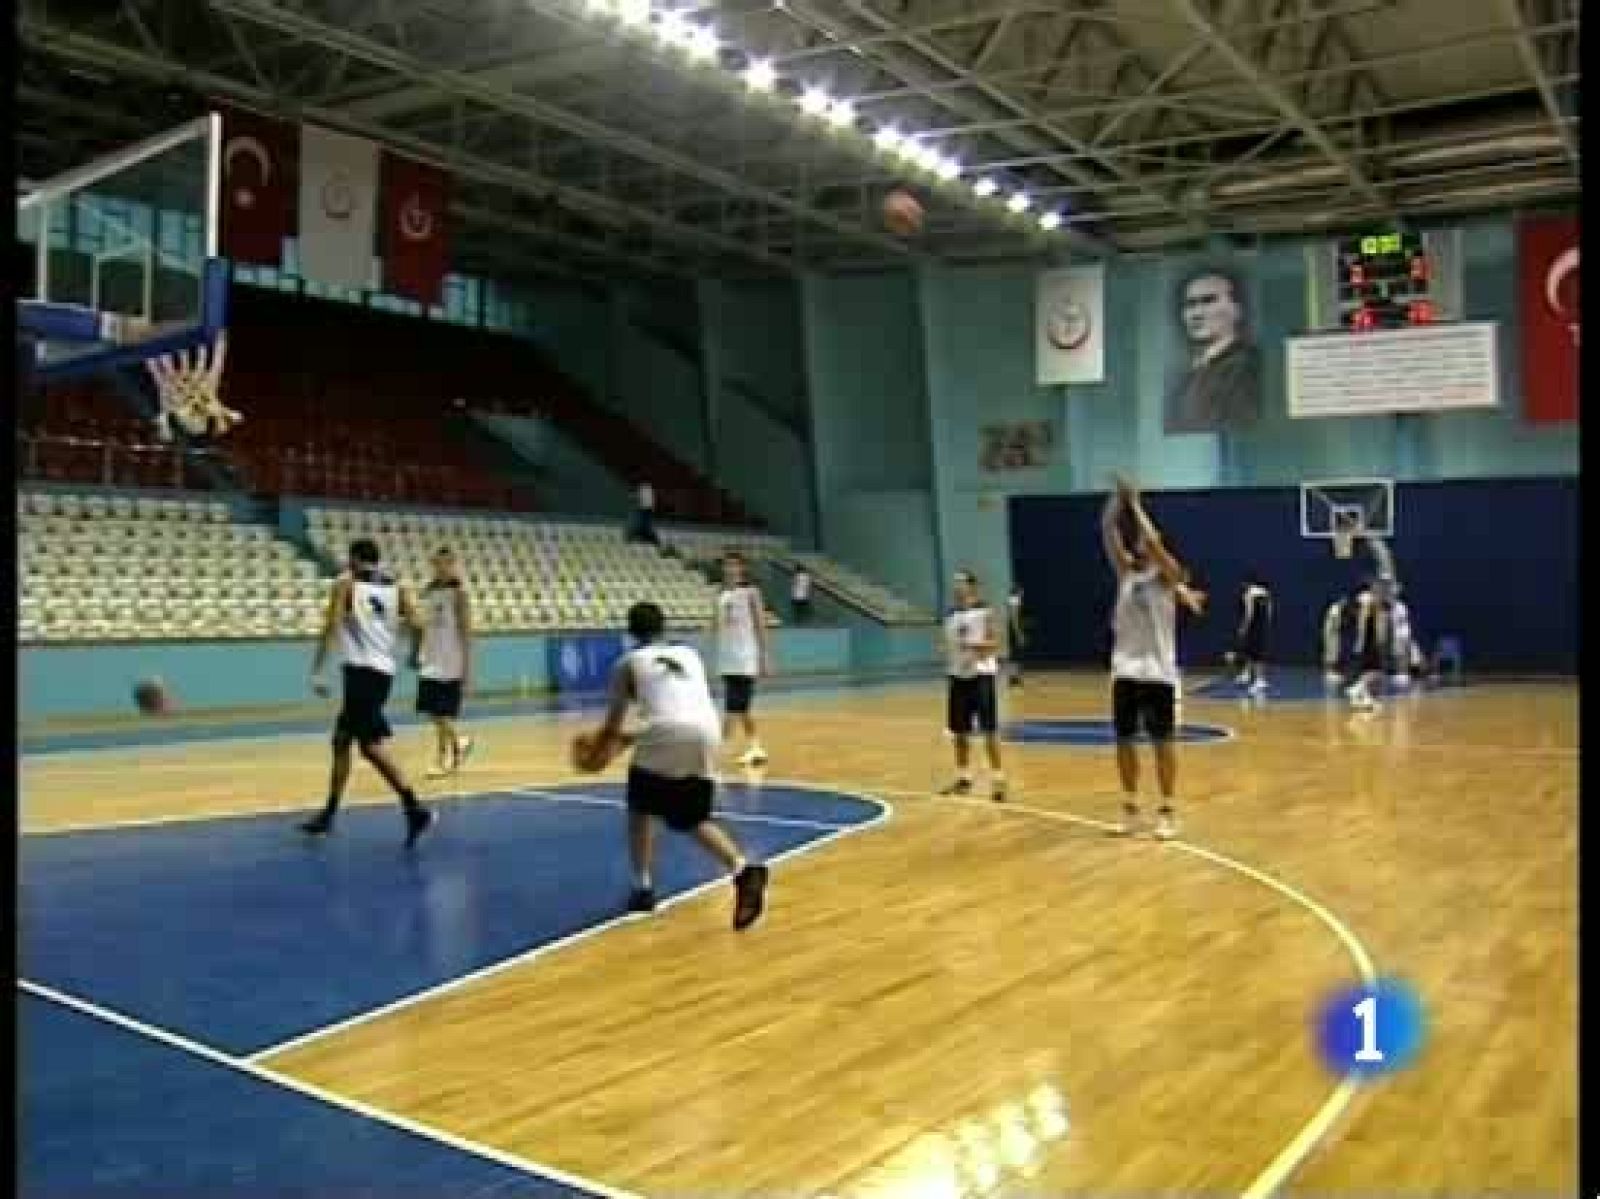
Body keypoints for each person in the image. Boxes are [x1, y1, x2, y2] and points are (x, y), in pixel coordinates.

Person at [573, 601, 769, 930]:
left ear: (631, 632)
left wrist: (601, 750)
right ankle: (742, 869)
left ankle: (643, 887)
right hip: (708, 732)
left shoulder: (628, 663)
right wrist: (632, 739)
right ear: (662, 627)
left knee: (640, 807)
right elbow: (678, 711)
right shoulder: (688, 654)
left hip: (665, 734)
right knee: (690, 817)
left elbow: (615, 724)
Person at [300, 538, 434, 846]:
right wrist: (415, 655)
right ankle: (328, 815)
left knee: (370, 747)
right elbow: (419, 625)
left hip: (361, 673)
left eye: (350, 559)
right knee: (341, 740)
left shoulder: (345, 584)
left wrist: (318, 669)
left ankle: (415, 808)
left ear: (355, 558)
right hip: (382, 673)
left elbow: (331, 625)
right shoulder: (397, 586)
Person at [1102, 478, 1205, 839]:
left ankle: (1168, 810)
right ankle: (1130, 808)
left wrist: (1136, 505)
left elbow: (1154, 543)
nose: (1141, 543)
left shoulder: (1169, 577)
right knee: (1124, 742)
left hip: (1159, 673)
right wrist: (1118, 501)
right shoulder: (1127, 575)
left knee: (1163, 744)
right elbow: (1108, 531)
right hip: (1125, 671)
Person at [1165, 268, 1262, 433]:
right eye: (1190, 304)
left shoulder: (1249, 367)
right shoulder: (1186, 376)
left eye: (1208, 301)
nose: (1196, 314)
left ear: (1236, 309)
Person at [938, 570, 1007, 802]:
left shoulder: (984, 610)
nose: (956, 587)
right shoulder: (950, 614)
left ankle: (998, 780)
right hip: (957, 677)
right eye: (955, 583)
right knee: (959, 732)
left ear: (972, 586)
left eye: (961, 583)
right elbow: (948, 644)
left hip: (981, 676)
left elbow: (995, 642)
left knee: (989, 729)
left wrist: (975, 646)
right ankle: (963, 778)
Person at [416, 546, 476, 778]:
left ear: (453, 565)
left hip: (451, 664)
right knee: (432, 712)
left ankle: (443, 758)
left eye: (446, 563)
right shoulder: (429, 591)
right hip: (431, 661)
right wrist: (419, 651)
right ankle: (457, 744)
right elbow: (427, 626)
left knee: (442, 714)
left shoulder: (459, 594)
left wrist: (467, 670)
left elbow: (466, 632)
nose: (441, 568)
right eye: (437, 563)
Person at [713, 551, 772, 767]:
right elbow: (717, 624)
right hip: (727, 657)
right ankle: (756, 748)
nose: (730, 569)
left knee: (732, 705)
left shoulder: (751, 592)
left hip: (746, 656)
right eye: (726, 565)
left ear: (742, 568)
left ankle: (720, 750)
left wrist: (764, 655)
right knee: (742, 708)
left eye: (734, 565)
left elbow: (760, 624)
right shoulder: (720, 594)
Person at [1234, 575, 1273, 695]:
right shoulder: (1265, 592)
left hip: (1253, 627)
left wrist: (1243, 627)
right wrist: (1266, 624)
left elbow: (1249, 613)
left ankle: (1260, 680)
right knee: (1252, 652)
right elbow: (1270, 611)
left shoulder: (1249, 594)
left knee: (1255, 654)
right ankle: (1246, 674)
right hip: (1262, 627)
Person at [1006, 584, 1026, 688]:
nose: (1022, 593)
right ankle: (1014, 677)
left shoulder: (1010, 600)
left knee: (1013, 654)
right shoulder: (1014, 600)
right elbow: (1014, 618)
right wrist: (1019, 633)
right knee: (1016, 655)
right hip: (1013, 629)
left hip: (1010, 629)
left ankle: (1013, 677)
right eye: (1021, 591)